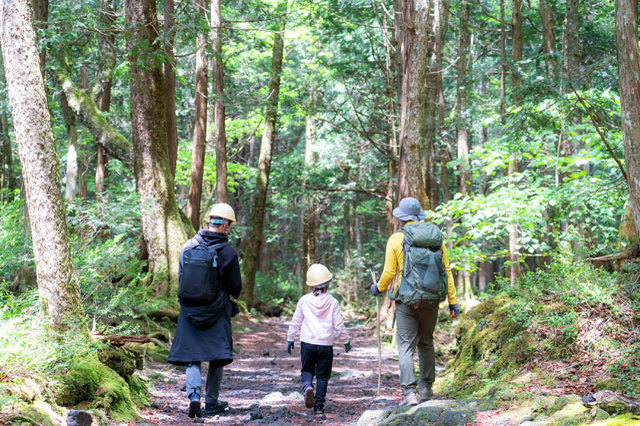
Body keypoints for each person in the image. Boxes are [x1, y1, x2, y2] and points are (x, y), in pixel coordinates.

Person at [370, 197, 459, 406]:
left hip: (406, 302)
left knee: (406, 346)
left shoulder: (395, 239)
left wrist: (378, 287)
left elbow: (390, 272)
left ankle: (409, 394)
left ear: (402, 218)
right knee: (426, 342)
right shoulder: (436, 239)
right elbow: (446, 270)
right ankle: (426, 389)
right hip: (432, 301)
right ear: (419, 216)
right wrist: (453, 302)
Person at [168, 203, 242, 418]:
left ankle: (194, 397)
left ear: (209, 222)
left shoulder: (188, 246)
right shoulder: (227, 252)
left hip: (189, 311)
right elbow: (235, 287)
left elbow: (181, 279)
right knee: (216, 356)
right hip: (217, 311)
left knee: (192, 356)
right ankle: (211, 401)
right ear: (226, 225)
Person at [286, 264, 351, 415]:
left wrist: (290, 338)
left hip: (307, 343)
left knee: (307, 369)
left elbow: (296, 320)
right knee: (323, 375)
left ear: (310, 285)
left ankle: (308, 386)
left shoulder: (304, 300)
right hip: (325, 345)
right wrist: (346, 341)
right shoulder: (332, 302)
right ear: (327, 284)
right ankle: (319, 406)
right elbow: (338, 324)